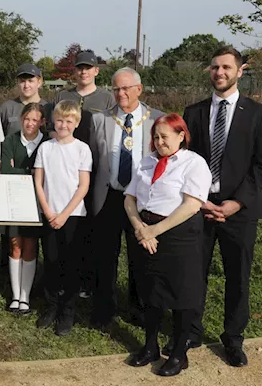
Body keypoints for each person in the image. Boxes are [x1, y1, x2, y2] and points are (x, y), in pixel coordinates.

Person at [181, 46, 262, 367]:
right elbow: (185, 161)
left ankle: (233, 339)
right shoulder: (192, 112)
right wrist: (199, 199)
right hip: (200, 207)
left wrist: (236, 203)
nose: (219, 73)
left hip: (240, 212)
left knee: (238, 277)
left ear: (239, 71)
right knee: (194, 273)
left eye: (226, 67)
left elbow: (261, 165)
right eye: (214, 67)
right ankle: (191, 330)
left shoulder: (258, 114)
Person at [124, 114, 212, 377]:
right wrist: (141, 228)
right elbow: (129, 198)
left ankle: (178, 354)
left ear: (181, 135)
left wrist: (155, 230)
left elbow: (191, 204)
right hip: (146, 232)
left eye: (165, 136)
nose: (159, 142)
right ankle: (150, 346)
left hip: (178, 234)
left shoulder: (193, 163)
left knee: (181, 294)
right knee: (150, 292)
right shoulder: (147, 161)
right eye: (156, 137)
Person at [89, 67, 164, 328]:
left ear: (139, 89)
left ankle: (138, 308)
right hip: (109, 196)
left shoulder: (157, 120)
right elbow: (95, 161)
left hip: (142, 200)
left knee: (139, 255)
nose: (121, 93)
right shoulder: (101, 120)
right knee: (105, 256)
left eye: (126, 88)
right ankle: (104, 309)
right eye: (116, 89)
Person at [54, 50, 115, 300]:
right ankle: (62, 279)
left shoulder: (107, 98)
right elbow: (53, 127)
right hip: (65, 169)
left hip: (95, 168)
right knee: (65, 227)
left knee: (90, 227)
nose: (84, 72)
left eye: (88, 67)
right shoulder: (63, 95)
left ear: (96, 71)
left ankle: (87, 282)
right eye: (80, 67)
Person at [34, 100, 92, 336]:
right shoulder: (46, 148)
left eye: (69, 121)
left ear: (76, 123)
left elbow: (83, 185)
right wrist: (48, 211)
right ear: (52, 121)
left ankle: (67, 310)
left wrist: (65, 213)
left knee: (71, 264)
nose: (64, 125)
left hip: (73, 216)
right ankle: (51, 306)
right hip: (50, 214)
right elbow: (38, 182)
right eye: (60, 120)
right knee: (51, 261)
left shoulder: (82, 149)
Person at [0, 103, 49, 314]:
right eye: (27, 119)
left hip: (37, 202)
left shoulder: (47, 143)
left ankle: (26, 296)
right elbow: (6, 171)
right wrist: (30, 172)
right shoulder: (10, 141)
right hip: (14, 200)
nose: (30, 124)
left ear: (43, 122)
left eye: (35, 120)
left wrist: (21, 171)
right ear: (21, 119)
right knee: (15, 245)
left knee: (30, 246)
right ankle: (15, 295)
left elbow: (46, 175)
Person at [0, 63, 50, 137]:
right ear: (17, 83)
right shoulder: (6, 108)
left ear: (39, 83)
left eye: (30, 81)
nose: (26, 85)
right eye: (22, 81)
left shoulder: (48, 108)